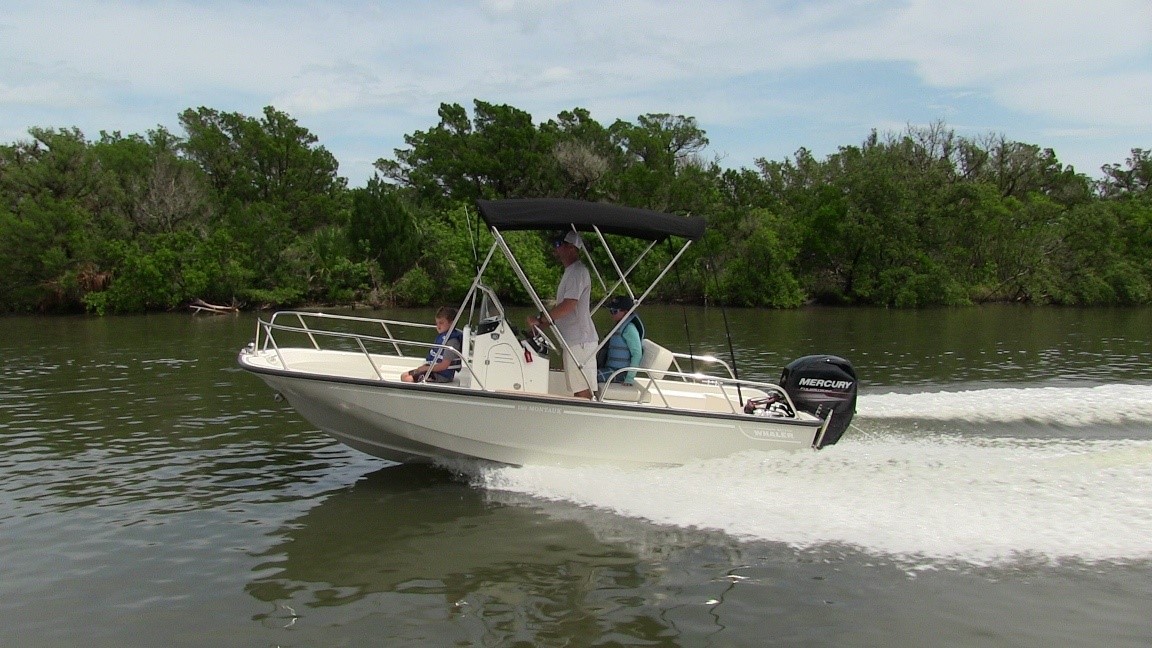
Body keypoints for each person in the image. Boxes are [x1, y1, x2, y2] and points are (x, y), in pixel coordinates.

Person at [527, 231, 598, 398]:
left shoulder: (578, 272)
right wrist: (541, 325)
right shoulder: (570, 272)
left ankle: (586, 414)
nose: (556, 248)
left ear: (571, 248)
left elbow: (568, 305)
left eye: (559, 244)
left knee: (582, 389)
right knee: (577, 387)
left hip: (580, 341)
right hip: (572, 340)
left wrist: (540, 319)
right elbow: (561, 309)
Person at [402, 306, 464, 383]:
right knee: (404, 375)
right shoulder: (443, 337)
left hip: (442, 375)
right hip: (432, 370)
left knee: (407, 379)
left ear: (451, 323)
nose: (438, 326)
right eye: (437, 323)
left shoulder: (452, 342)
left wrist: (425, 368)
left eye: (441, 323)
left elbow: (444, 365)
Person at [597, 295, 645, 385]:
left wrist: (629, 378)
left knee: (591, 377)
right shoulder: (618, 326)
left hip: (620, 372)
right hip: (610, 369)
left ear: (626, 312)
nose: (612, 313)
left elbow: (637, 354)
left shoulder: (629, 329)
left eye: (615, 311)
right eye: (611, 311)